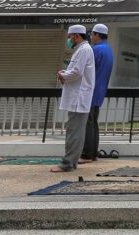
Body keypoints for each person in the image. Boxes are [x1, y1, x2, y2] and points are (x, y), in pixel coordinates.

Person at [52, 25, 95, 173]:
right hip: (78, 97)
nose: (69, 40)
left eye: (70, 36)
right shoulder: (82, 50)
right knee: (76, 131)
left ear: (77, 36)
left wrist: (62, 75)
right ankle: (72, 161)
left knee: (74, 131)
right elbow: (75, 71)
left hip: (78, 98)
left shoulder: (83, 50)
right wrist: (65, 73)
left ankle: (67, 163)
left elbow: (76, 72)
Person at [80, 23, 114, 164]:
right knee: (93, 123)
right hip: (99, 91)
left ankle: (87, 154)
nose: (91, 37)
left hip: (90, 91)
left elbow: (84, 70)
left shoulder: (95, 50)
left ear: (97, 35)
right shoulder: (108, 50)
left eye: (92, 34)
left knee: (88, 123)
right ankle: (93, 153)